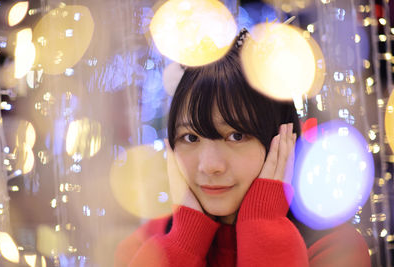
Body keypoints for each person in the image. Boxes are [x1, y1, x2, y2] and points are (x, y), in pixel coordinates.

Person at [114, 29, 371, 267]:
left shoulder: (334, 248)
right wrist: (183, 243)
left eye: (236, 136)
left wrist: (263, 225)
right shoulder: (145, 244)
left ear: (281, 137)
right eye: (191, 138)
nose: (211, 166)